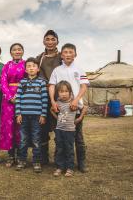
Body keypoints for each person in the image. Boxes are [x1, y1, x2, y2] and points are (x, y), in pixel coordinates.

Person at [49, 43, 89, 172]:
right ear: (61, 55)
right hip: (60, 108)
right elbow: (51, 86)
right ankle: (59, 164)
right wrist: (53, 102)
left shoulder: (79, 69)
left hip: (75, 108)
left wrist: (76, 100)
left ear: (75, 54)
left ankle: (81, 162)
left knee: (78, 137)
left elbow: (84, 86)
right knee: (59, 137)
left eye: (70, 52)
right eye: (65, 52)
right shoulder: (57, 70)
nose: (68, 54)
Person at [15, 57, 48, 173]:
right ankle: (22, 160)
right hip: (23, 116)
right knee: (23, 140)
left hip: (36, 117)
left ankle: (36, 161)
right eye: (28, 66)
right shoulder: (22, 83)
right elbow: (18, 98)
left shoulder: (42, 83)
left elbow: (45, 100)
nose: (31, 68)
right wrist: (18, 113)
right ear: (25, 70)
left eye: (33, 66)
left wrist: (43, 115)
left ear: (38, 69)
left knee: (36, 140)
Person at [35, 30, 62, 164]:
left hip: (60, 95)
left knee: (59, 127)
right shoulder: (39, 58)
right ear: (43, 41)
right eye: (47, 39)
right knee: (42, 127)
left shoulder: (62, 57)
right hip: (43, 96)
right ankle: (43, 158)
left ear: (57, 41)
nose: (50, 41)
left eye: (53, 39)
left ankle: (59, 159)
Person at [0, 43, 26, 167]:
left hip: (23, 98)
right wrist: (10, 97)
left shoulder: (27, 65)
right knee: (9, 127)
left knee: (20, 128)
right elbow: (3, 82)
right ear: (10, 52)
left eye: (19, 49)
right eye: (14, 50)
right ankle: (10, 156)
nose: (17, 51)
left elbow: (29, 80)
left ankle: (21, 156)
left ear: (22, 52)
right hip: (8, 100)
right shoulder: (6, 66)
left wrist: (19, 96)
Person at [50, 81, 79, 177]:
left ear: (70, 92)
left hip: (70, 131)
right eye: (61, 91)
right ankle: (59, 167)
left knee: (69, 149)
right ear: (58, 93)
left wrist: (79, 118)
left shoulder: (74, 102)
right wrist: (57, 118)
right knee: (60, 149)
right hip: (59, 130)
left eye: (66, 91)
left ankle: (70, 168)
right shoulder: (57, 102)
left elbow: (84, 108)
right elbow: (51, 109)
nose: (64, 93)